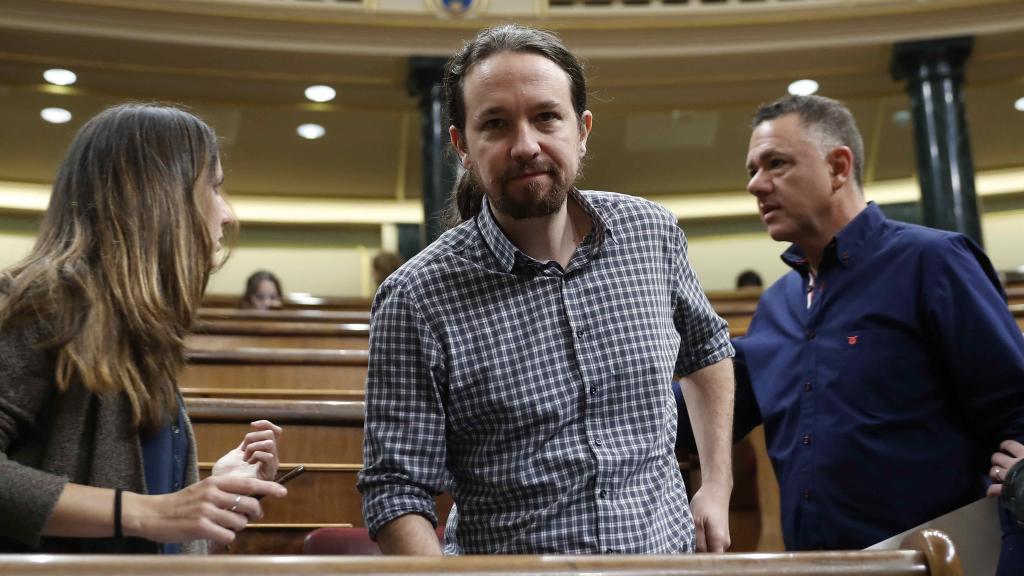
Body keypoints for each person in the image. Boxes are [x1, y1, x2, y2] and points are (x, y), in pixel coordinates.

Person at [358, 24, 735, 556]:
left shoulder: (651, 233)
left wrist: (717, 484)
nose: (525, 145)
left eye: (546, 117)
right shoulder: (415, 298)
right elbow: (396, 489)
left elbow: (707, 349)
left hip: (663, 560)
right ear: (462, 145)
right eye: (495, 124)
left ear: (581, 130)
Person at [681, 95, 1024, 559]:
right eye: (752, 170)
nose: (755, 185)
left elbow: (1015, 406)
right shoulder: (776, 306)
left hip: (937, 562)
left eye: (775, 163)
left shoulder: (933, 262)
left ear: (839, 167)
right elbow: (698, 412)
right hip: (817, 566)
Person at [0, 103, 288, 554]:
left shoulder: (136, 324)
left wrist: (210, 495)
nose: (227, 214)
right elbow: (142, 515)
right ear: (157, 196)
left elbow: (146, 529)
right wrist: (152, 511)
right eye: (213, 188)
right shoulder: (37, 301)